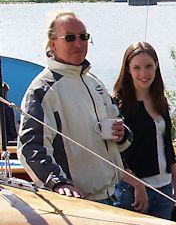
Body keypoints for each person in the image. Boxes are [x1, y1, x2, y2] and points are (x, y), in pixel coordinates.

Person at [19, 12, 130, 203]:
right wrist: (58, 183)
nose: (78, 43)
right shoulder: (42, 90)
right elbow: (30, 147)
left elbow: (122, 130)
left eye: (84, 36)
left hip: (115, 193)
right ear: (53, 44)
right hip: (79, 202)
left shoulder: (94, 82)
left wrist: (122, 135)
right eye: (70, 38)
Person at [112, 42, 176, 219]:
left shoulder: (160, 100)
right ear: (128, 70)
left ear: (156, 66)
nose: (143, 74)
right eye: (137, 67)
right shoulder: (117, 105)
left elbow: (167, 146)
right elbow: (111, 154)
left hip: (165, 189)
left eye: (148, 66)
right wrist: (137, 185)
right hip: (132, 191)